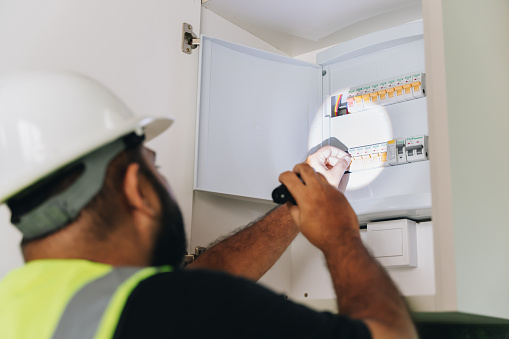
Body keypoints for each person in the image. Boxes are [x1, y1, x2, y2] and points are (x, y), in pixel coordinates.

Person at [0, 71, 417, 338]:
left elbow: (194, 281)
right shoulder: (177, 311)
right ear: (135, 188)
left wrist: (297, 208)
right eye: (154, 166)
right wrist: (338, 233)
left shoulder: (17, 308)